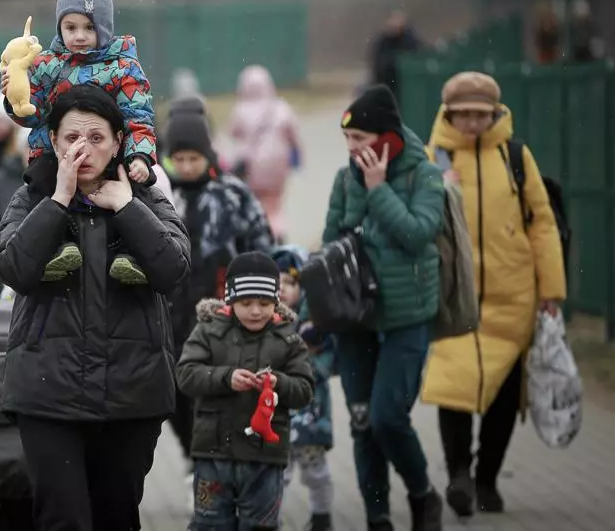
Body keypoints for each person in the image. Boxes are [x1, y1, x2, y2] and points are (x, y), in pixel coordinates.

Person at [0, 85, 189, 531]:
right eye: (71, 138)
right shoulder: (31, 197)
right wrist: (58, 200)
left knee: (116, 517)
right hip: (47, 394)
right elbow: (13, 268)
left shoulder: (147, 198)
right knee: (63, 519)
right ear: (53, 141)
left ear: (119, 142)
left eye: (97, 138)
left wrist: (126, 206)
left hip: (132, 395)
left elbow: (173, 270)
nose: (83, 148)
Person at [419, 72, 567, 517]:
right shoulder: (432, 158)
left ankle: (487, 479)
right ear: (448, 114)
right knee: (453, 389)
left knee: (504, 394)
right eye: (462, 114)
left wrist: (550, 289)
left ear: (495, 114)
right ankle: (458, 475)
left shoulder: (516, 156)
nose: (471, 122)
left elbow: (542, 223)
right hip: (454, 297)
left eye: (480, 114)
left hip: (512, 295)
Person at [322, 85, 445, 531]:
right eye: (347, 140)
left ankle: (422, 494)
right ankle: (378, 518)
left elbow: (418, 234)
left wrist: (377, 191)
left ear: (387, 138)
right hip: (355, 319)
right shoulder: (344, 179)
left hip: (406, 319)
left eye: (360, 139)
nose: (352, 149)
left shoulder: (423, 175)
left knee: (387, 419)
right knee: (362, 423)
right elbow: (331, 247)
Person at [2, 0, 157, 285]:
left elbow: (138, 116)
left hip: (107, 155)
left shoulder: (123, 66)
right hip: (54, 154)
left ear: (105, 27)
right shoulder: (46, 64)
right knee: (42, 185)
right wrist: (16, 98)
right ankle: (54, 249)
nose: (80, 37)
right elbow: (34, 114)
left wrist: (140, 157)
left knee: (129, 190)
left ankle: (130, 254)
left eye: (89, 27)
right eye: (70, 28)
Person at [162, 109, 274, 487]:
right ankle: (194, 456)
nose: (186, 166)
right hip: (171, 315)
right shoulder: (162, 195)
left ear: (208, 154)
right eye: (178, 159)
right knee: (174, 396)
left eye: (193, 158)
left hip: (220, 316)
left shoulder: (231, 194)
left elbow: (261, 245)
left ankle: (215, 470)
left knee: (214, 395)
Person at [176, 251, 314, 531]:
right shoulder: (208, 331)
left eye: (264, 303)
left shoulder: (288, 339)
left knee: (260, 526)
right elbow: (186, 375)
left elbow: (304, 389)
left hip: (265, 459)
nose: (255, 311)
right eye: (246, 303)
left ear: (276, 301)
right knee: (210, 524)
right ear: (230, 299)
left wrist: (278, 382)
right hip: (213, 454)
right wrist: (225, 378)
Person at [273, 246, 335, 531]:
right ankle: (269, 519)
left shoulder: (314, 326)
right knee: (277, 474)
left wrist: (308, 354)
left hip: (311, 414)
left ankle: (321, 516)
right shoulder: (263, 321)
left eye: (290, 282)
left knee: (315, 472)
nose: (282, 289)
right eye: (276, 282)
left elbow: (327, 364)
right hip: (276, 418)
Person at [223, 65, 302, 241]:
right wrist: (297, 158)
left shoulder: (240, 109)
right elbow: (293, 136)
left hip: (250, 166)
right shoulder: (281, 107)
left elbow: (233, 133)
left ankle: (259, 233)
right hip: (278, 164)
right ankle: (277, 231)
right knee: (274, 203)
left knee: (254, 201)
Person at [369, 11, 422, 103]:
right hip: (387, 83)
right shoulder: (383, 41)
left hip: (404, 86)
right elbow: (378, 64)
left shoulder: (409, 39)